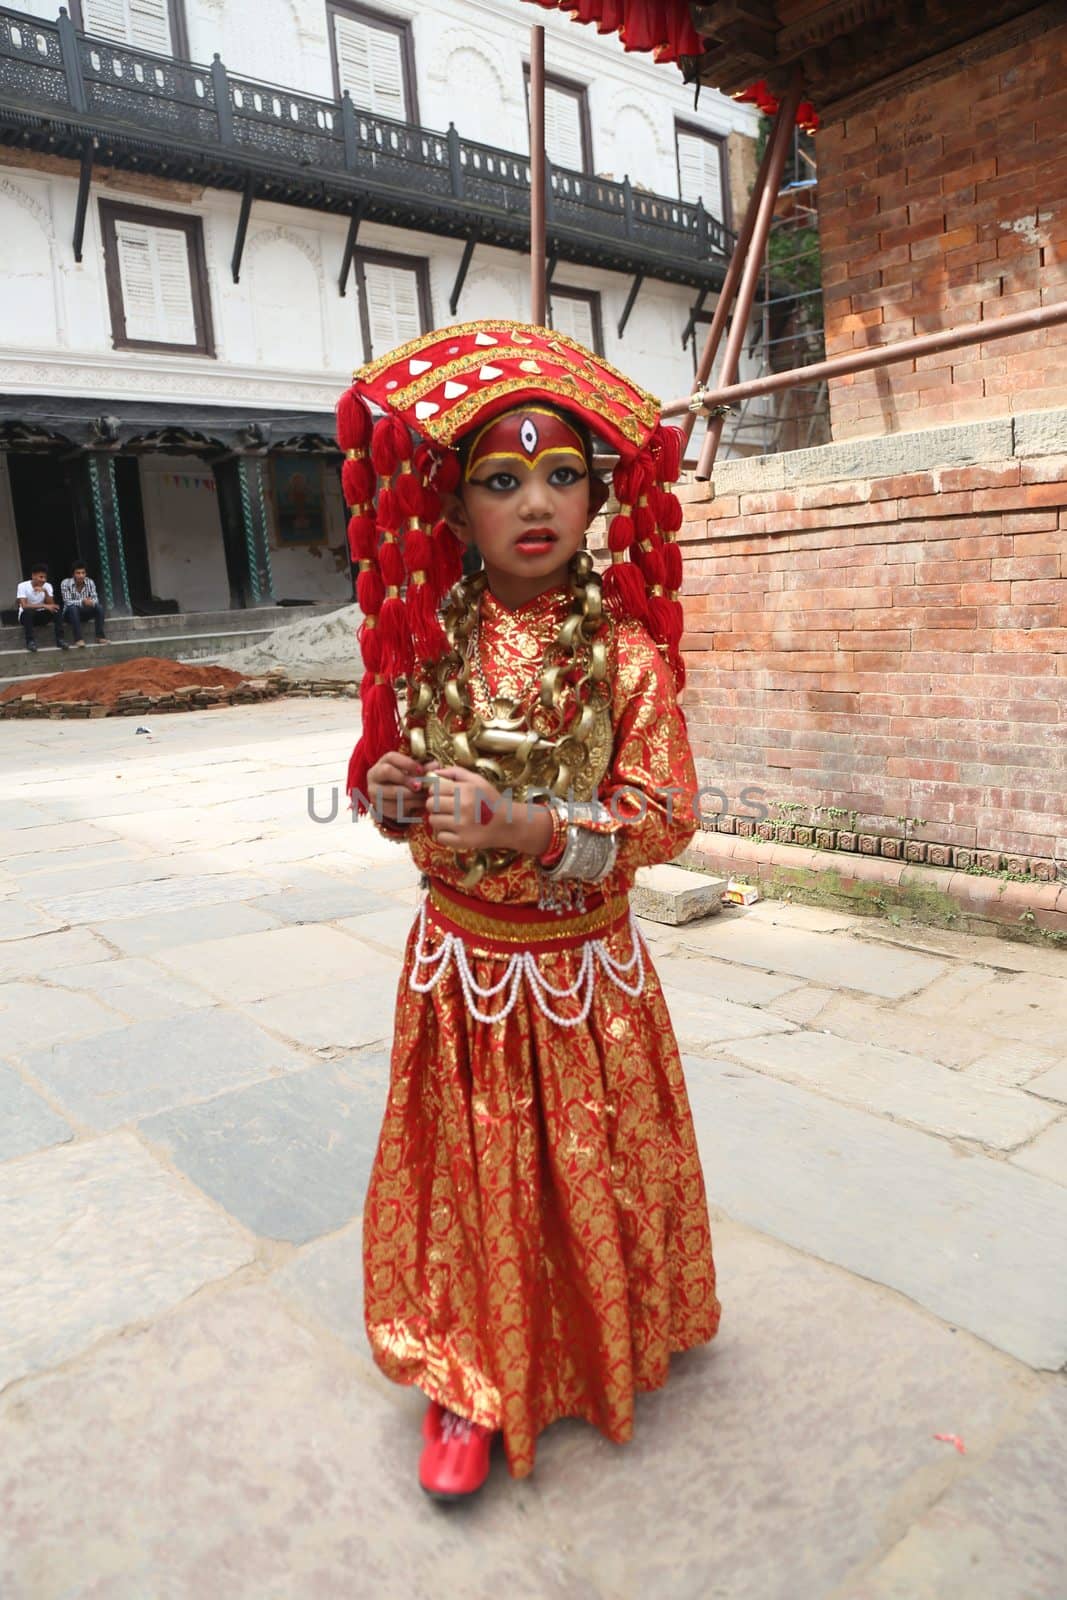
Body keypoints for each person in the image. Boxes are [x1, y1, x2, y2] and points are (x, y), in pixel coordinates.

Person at [339, 321, 720, 1502]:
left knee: (585, 1162)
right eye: (501, 480)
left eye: (562, 474)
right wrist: (393, 797)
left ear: (599, 500)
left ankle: (600, 1334)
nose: (536, 501)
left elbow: (662, 821)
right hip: (463, 967)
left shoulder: (624, 657)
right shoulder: (423, 642)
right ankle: (465, 1372)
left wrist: (531, 830)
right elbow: (392, 796)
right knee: (471, 1170)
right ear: (454, 511)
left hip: (579, 970)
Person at [16, 565, 69, 653]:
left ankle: (60, 640)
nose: (43, 580)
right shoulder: (22, 586)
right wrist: (44, 605)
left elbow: (51, 605)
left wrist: (45, 592)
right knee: (27, 611)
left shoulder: (47, 586)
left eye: (45, 577)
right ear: (33, 576)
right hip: (26, 618)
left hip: (41, 617)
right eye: (41, 577)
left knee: (56, 609)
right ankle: (30, 642)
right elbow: (24, 605)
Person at [60, 564, 109, 645]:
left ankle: (100, 637)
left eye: (83, 573)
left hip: (85, 612)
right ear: (73, 574)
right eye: (78, 573)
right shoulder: (65, 583)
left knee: (99, 607)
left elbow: (95, 598)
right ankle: (78, 639)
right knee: (73, 608)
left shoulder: (90, 582)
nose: (81, 575)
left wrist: (91, 602)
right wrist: (82, 601)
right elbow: (67, 602)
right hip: (69, 614)